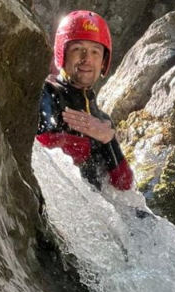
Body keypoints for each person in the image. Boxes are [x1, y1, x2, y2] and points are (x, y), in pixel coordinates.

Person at [35, 10, 133, 191]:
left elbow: (124, 184)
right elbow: (42, 147)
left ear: (103, 61)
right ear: (62, 54)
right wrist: (93, 143)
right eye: (78, 49)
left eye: (95, 52)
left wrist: (108, 140)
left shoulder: (102, 120)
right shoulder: (48, 92)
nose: (87, 59)